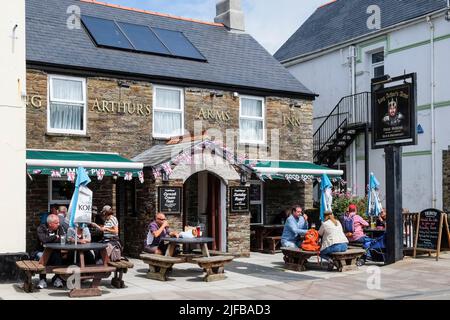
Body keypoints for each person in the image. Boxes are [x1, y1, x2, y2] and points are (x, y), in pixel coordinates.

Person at [36, 214, 65, 289]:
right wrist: (55, 236)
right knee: (41, 256)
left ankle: (57, 279)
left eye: (58, 222)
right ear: (50, 224)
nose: (58, 224)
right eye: (56, 223)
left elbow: (62, 239)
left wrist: (49, 239)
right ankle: (42, 280)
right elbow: (43, 240)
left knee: (58, 256)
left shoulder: (59, 228)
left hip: (55, 251)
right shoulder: (41, 228)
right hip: (42, 251)